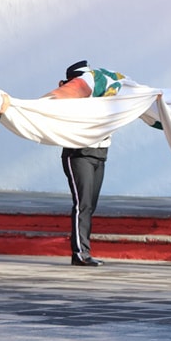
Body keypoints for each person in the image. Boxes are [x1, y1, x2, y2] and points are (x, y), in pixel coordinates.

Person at [53, 60, 119, 267]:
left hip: (99, 154)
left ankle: (84, 250)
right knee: (83, 204)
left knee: (90, 205)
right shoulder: (69, 102)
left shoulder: (101, 100)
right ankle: (80, 253)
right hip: (79, 155)